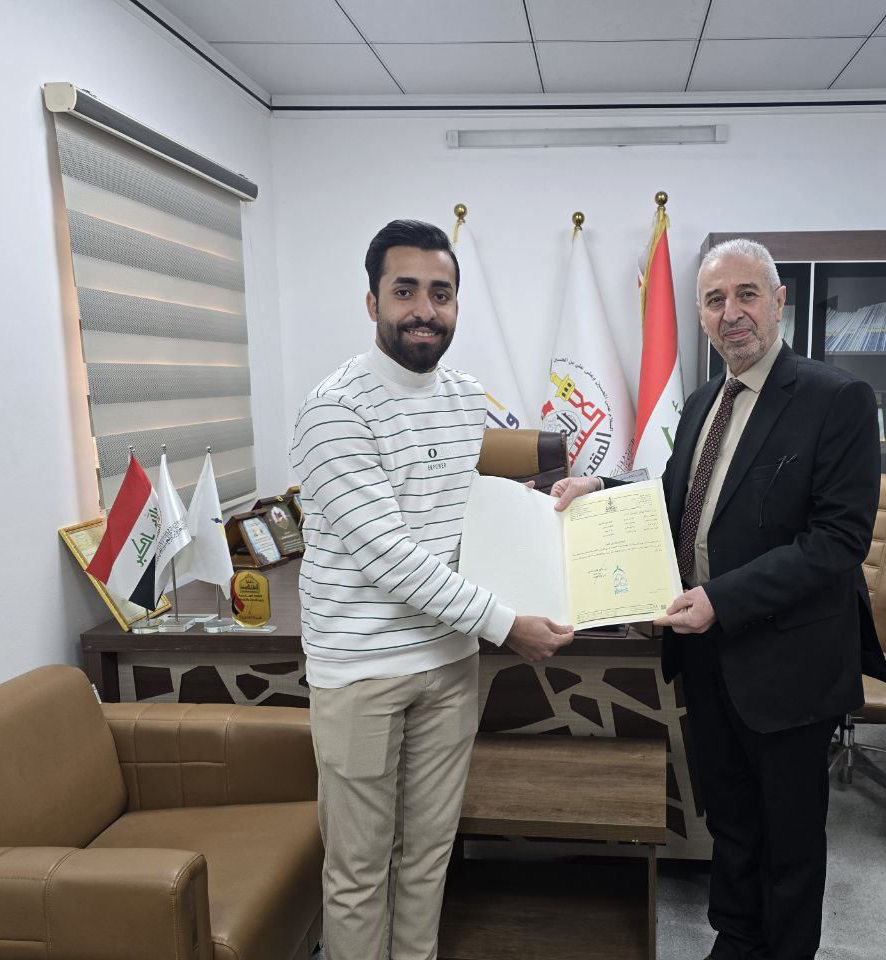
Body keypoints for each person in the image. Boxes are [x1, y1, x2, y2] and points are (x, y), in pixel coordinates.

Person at [552, 238, 885, 960]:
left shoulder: (837, 399)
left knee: (790, 835)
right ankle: (735, 940)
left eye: (746, 294)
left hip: (790, 662)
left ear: (778, 302)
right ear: (701, 316)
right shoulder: (705, 399)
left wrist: (720, 600)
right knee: (730, 820)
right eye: (714, 299)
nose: (731, 312)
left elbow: (838, 540)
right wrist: (600, 488)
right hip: (707, 655)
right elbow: (677, 497)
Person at [290, 219, 574, 960]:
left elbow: (464, 517)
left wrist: (554, 512)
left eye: (441, 293)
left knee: (427, 857)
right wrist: (506, 623)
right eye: (406, 291)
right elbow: (390, 555)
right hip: (363, 672)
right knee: (359, 871)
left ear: (455, 304)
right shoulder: (335, 409)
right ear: (373, 301)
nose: (425, 309)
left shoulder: (465, 397)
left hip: (448, 664)